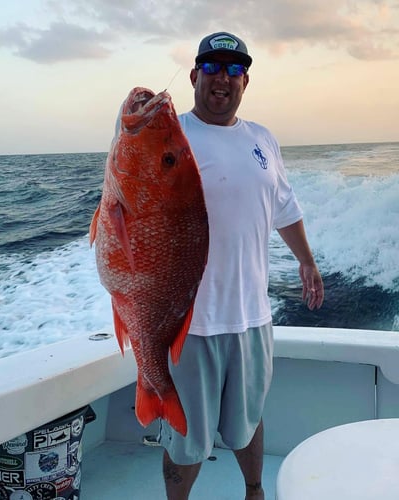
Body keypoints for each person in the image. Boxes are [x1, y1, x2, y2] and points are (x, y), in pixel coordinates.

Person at [159, 31, 324, 499]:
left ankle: (255, 491)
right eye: (212, 68)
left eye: (234, 70)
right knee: (185, 438)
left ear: (245, 82)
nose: (222, 79)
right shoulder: (172, 138)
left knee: (248, 421)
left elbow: (284, 208)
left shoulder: (262, 140)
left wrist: (307, 261)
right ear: (194, 76)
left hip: (252, 317)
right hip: (187, 322)